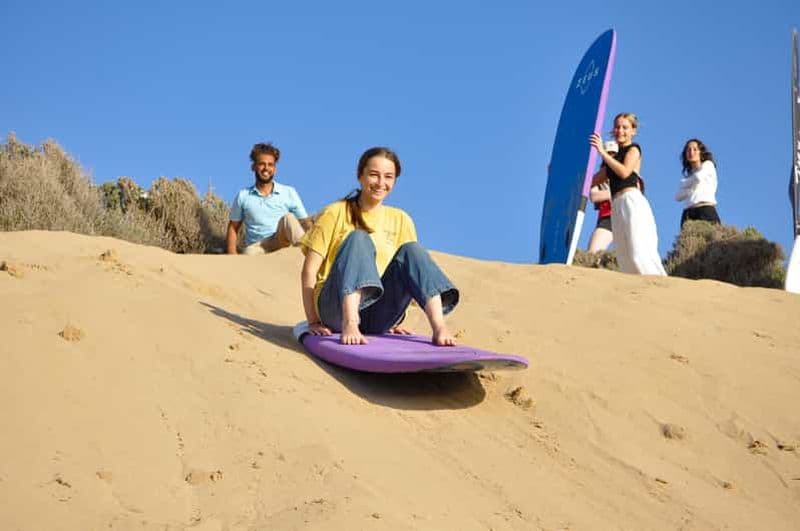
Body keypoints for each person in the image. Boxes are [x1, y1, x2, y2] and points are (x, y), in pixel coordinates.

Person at [299, 147, 459, 346]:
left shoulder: (401, 219)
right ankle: (351, 322)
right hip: (335, 309)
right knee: (358, 238)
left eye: (388, 177)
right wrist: (313, 321)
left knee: (413, 249)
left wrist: (395, 318)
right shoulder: (335, 212)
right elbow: (309, 270)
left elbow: (410, 274)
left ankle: (439, 326)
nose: (381, 183)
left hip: (376, 314)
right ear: (360, 176)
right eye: (374, 175)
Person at [589, 113, 666, 275]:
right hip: (616, 206)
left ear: (633, 131)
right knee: (625, 257)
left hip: (632, 201)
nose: (620, 131)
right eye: (617, 127)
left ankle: (659, 285)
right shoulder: (611, 158)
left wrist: (602, 152)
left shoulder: (634, 149)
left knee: (639, 250)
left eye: (625, 127)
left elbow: (624, 172)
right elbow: (592, 181)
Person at [226, 142, 312, 255]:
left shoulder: (288, 192)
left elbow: (304, 222)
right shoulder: (243, 195)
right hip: (258, 246)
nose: (266, 168)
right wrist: (232, 255)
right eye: (262, 164)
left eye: (270, 164)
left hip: (281, 241)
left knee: (289, 218)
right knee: (248, 252)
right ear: (253, 167)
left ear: (275, 169)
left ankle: (308, 258)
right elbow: (233, 227)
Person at [675, 138, 721, 228]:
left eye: (695, 149)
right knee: (688, 241)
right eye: (688, 150)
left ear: (701, 152)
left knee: (712, 240)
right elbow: (677, 196)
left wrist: (686, 185)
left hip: (705, 210)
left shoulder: (708, 165)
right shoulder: (687, 176)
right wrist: (690, 188)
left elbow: (698, 178)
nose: (691, 152)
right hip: (688, 214)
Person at [587, 140, 617, 253]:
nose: (611, 156)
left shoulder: (625, 169)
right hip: (607, 216)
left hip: (624, 214)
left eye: (614, 153)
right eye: (608, 153)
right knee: (593, 253)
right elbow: (594, 196)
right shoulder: (597, 176)